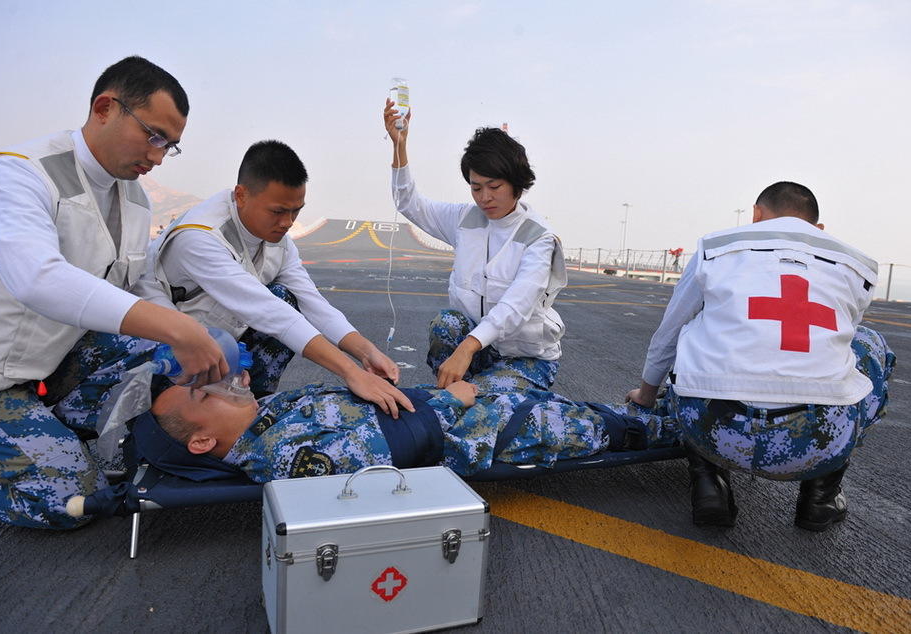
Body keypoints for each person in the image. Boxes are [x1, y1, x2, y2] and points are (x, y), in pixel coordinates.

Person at [0, 56, 229, 530]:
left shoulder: (133, 198)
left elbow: (137, 285)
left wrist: (190, 333)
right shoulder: (21, 175)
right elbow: (37, 278)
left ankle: (42, 428)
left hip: (51, 362)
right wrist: (179, 329)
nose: (157, 157)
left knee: (178, 358)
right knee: (76, 500)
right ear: (105, 108)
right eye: (154, 136)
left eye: (169, 146)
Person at [626, 182, 895, 531]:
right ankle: (820, 497)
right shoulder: (855, 265)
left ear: (756, 214)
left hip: (717, 435)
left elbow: (670, 330)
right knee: (868, 344)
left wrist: (646, 395)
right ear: (818, 229)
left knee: (695, 330)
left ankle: (709, 482)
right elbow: (839, 339)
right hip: (816, 443)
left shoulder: (716, 248)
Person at [148, 140, 414, 417]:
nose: (288, 222)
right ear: (241, 195)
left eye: (296, 210)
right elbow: (268, 311)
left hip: (218, 342)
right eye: (277, 211)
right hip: (166, 352)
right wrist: (351, 373)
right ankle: (157, 425)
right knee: (277, 306)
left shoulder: (278, 241)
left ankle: (251, 408)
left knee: (286, 297)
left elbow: (312, 303)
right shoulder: (200, 237)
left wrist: (366, 352)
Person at [149, 377, 677, 483]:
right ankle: (691, 429)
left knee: (544, 394)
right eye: (203, 395)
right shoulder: (282, 456)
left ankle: (654, 411)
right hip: (475, 433)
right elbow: (397, 448)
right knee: (603, 429)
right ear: (203, 441)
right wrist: (451, 400)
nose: (214, 386)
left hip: (458, 408)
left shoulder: (266, 415)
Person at [382, 101, 567, 394]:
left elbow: (516, 305)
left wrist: (467, 348)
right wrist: (399, 147)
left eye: (494, 187)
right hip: (477, 351)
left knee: (476, 402)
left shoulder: (538, 237)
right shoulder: (464, 219)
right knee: (446, 324)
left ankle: (470, 395)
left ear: (517, 184)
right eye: (476, 187)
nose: (484, 197)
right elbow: (408, 203)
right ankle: (456, 392)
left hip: (526, 358)